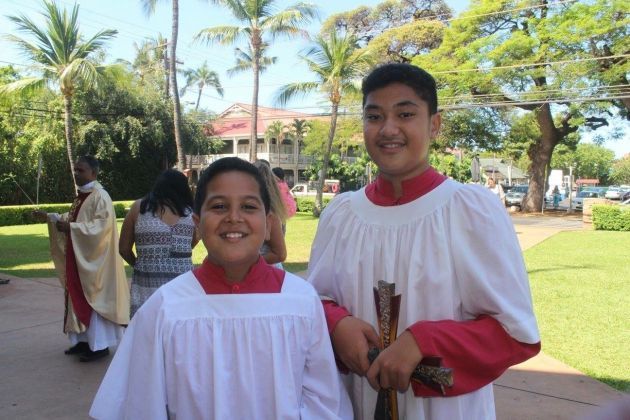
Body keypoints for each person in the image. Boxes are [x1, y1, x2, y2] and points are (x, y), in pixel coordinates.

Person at [307, 63, 541, 419]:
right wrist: (336, 324)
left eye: (405, 114)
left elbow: (515, 332)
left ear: (434, 124)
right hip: (356, 402)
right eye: (374, 116)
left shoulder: (469, 210)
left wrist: (423, 343)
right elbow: (311, 304)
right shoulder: (341, 215)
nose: (388, 129)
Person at [90, 157, 352, 420]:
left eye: (248, 206)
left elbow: (323, 400)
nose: (234, 218)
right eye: (219, 206)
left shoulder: (300, 301)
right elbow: (141, 402)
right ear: (197, 222)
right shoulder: (166, 309)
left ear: (268, 222)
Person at [32, 155, 129, 362]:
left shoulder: (100, 196)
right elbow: (72, 219)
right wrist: (50, 217)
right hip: (79, 257)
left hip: (96, 263)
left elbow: (102, 228)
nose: (76, 174)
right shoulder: (82, 196)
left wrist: (72, 228)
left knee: (93, 299)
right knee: (77, 297)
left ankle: (99, 345)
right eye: (75, 170)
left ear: (94, 172)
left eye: (81, 170)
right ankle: (83, 341)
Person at [118, 169, 199, 317]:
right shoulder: (191, 214)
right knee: (181, 327)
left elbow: (123, 249)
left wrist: (141, 264)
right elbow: (190, 245)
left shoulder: (139, 208)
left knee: (147, 326)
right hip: (182, 287)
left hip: (147, 285)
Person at [253, 159, 287, 265]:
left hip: (265, 269)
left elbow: (280, 254)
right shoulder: (270, 208)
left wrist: (247, 263)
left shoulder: (270, 213)